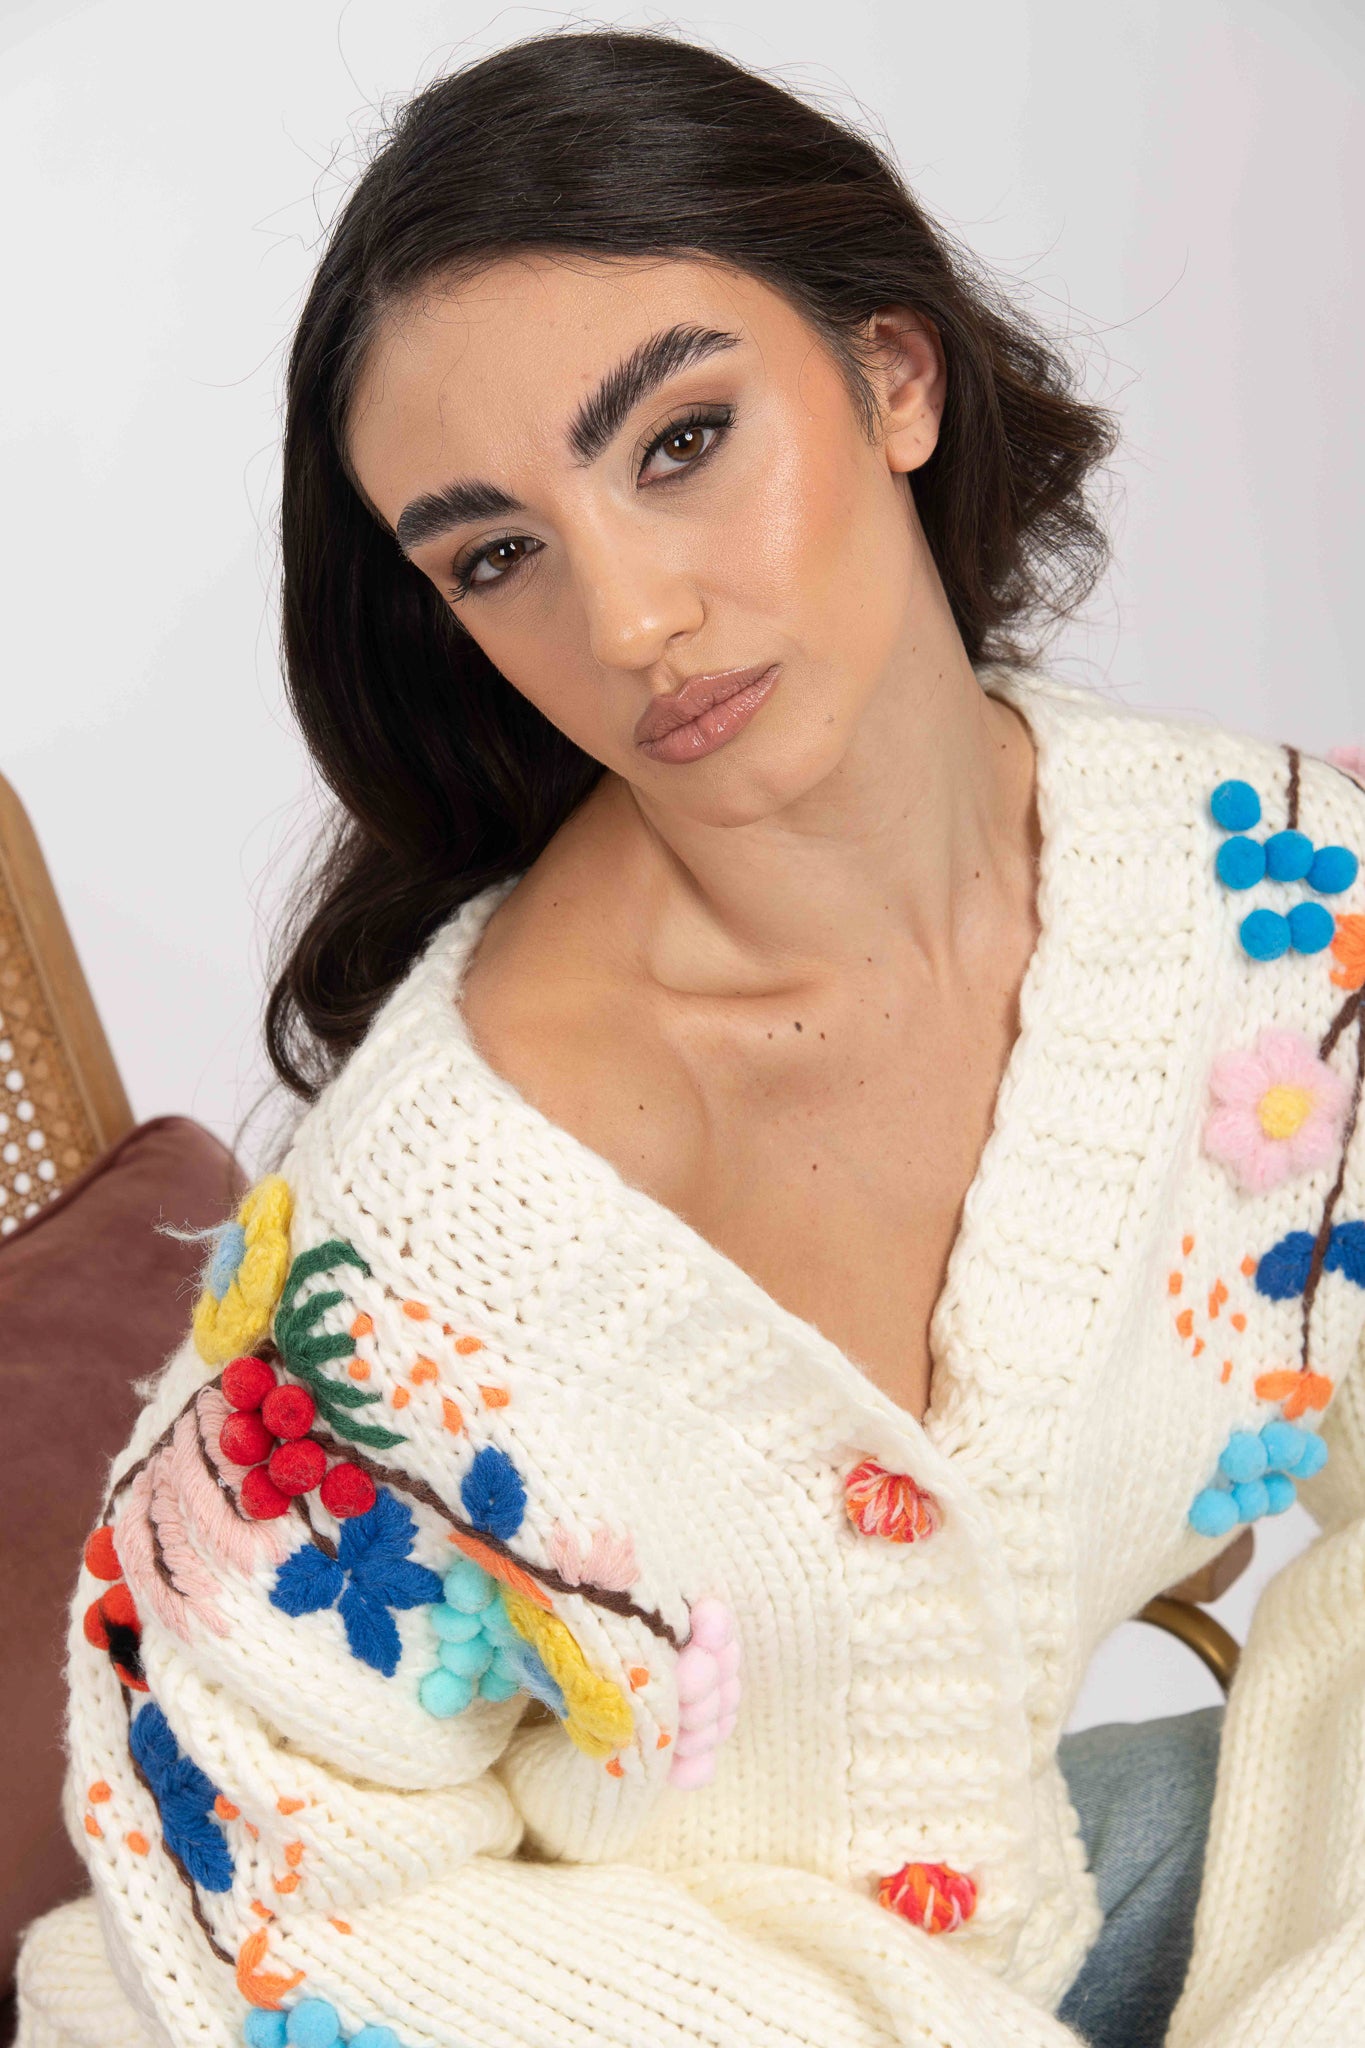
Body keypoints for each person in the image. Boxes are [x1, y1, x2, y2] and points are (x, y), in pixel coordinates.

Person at [15, 27, 1365, 2048]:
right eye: (496, 556)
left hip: (1017, 1944)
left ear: (893, 378)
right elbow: (260, 1884)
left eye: (678, 441)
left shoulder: (1280, 914)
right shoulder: (436, 1226)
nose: (630, 617)